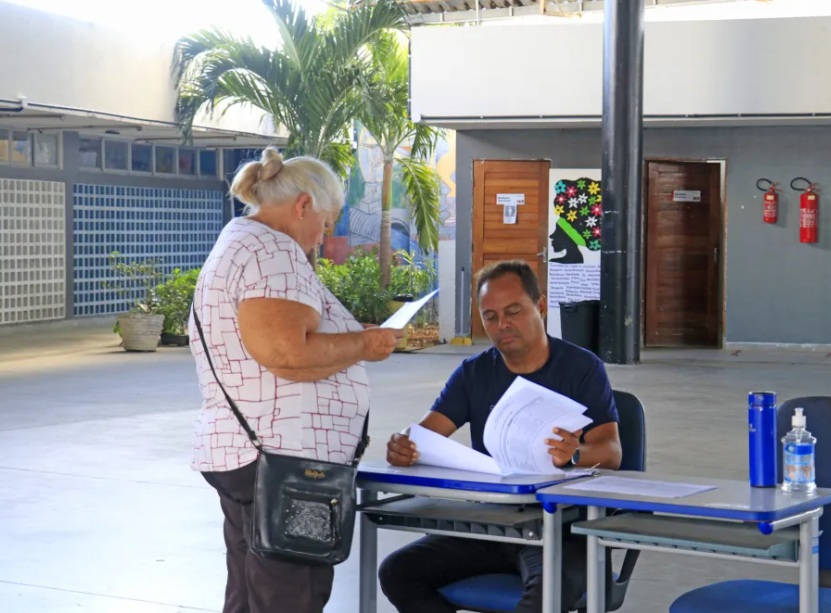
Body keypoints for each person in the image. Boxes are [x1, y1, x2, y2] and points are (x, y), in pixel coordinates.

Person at [189, 147, 402, 613]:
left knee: (254, 591)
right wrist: (363, 347)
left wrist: (346, 337)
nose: (322, 238)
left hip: (255, 452)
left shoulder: (243, 243)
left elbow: (282, 337)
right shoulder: (273, 251)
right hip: (284, 459)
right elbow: (286, 353)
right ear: (303, 205)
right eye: (325, 223)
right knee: (291, 595)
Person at [379, 260, 622, 613]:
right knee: (398, 571)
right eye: (490, 316)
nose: (502, 324)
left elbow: (611, 453)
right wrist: (404, 445)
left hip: (563, 524)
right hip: (495, 520)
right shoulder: (474, 373)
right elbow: (425, 435)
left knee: (548, 592)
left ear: (539, 306)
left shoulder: (581, 368)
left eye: (513, 311)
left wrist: (574, 454)